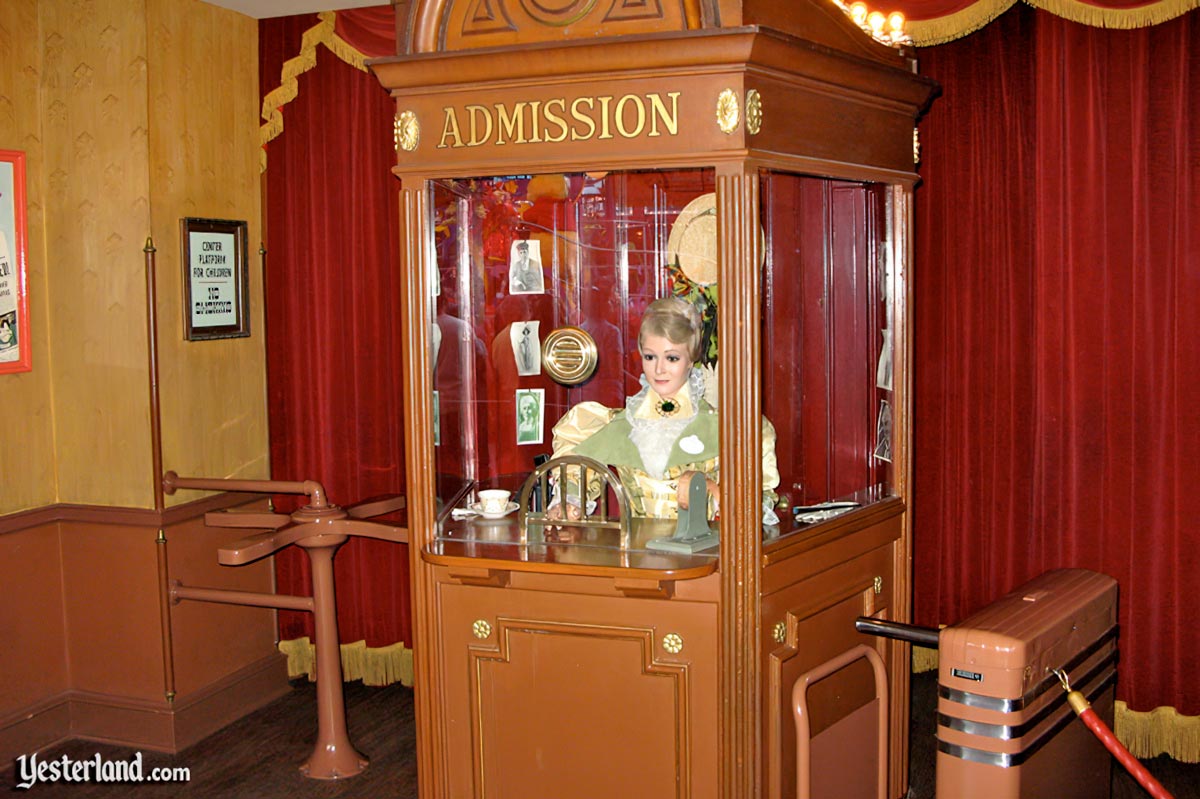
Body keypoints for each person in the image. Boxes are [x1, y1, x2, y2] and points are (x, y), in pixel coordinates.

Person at [548, 297, 778, 522]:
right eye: (650, 357)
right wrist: (568, 501)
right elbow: (577, 466)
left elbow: (757, 505)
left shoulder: (730, 427)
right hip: (639, 554)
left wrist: (713, 491)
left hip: (706, 555)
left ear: (691, 360)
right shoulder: (617, 424)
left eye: (672, 358)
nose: (659, 369)